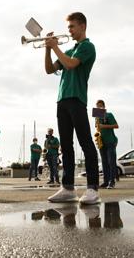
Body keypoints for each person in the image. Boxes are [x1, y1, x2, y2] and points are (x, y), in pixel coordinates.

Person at [44, 12, 100, 204]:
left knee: (85, 142)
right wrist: (48, 49)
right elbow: (49, 69)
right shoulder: (68, 50)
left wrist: (55, 47)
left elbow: (70, 65)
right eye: (68, 27)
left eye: (72, 27)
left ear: (83, 26)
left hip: (77, 98)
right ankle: (68, 188)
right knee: (66, 145)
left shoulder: (87, 47)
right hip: (62, 99)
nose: (69, 30)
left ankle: (93, 188)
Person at [96, 99, 119, 189]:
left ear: (104, 106)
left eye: (100, 105)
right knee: (104, 163)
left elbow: (116, 125)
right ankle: (105, 181)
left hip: (110, 141)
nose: (99, 107)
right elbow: (98, 129)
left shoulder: (109, 115)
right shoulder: (97, 117)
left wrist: (104, 126)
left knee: (111, 162)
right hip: (102, 142)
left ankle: (111, 181)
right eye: (97, 106)